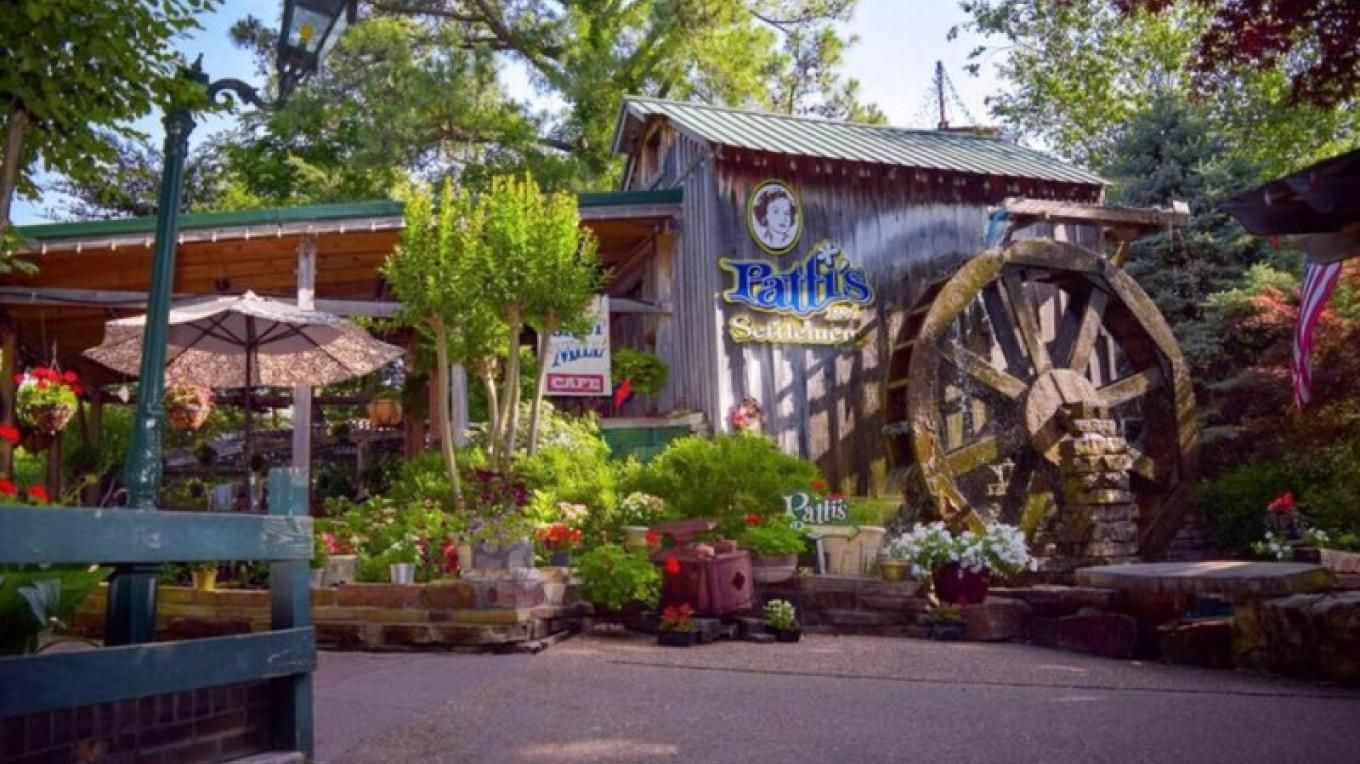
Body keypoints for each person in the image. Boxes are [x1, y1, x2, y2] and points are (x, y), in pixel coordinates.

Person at [752, 185, 799, 251]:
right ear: (765, 214)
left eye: (787, 213)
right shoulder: (762, 237)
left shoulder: (790, 239)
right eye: (776, 211)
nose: (784, 218)